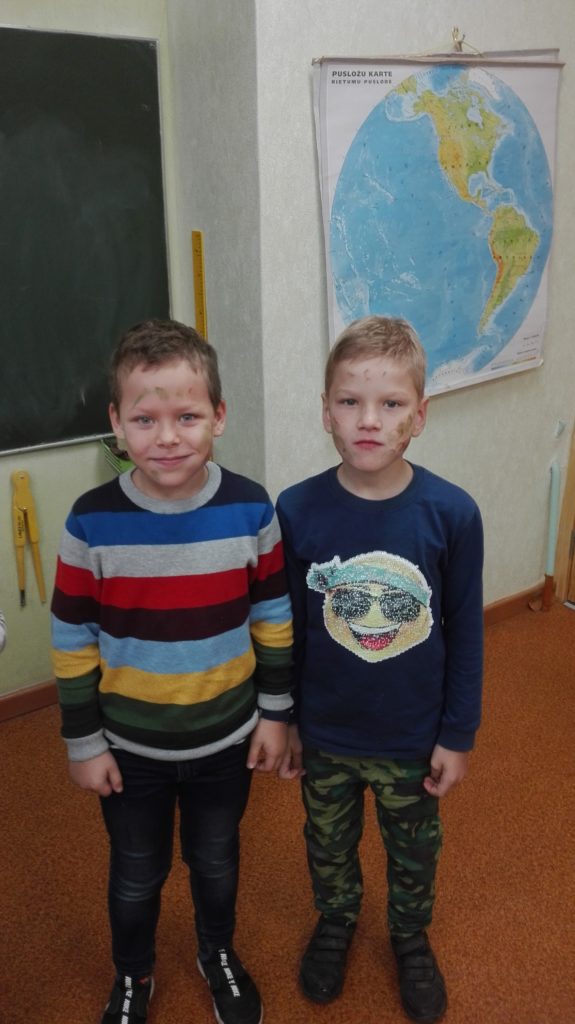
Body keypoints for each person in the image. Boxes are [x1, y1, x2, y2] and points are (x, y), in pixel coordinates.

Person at [51, 319, 293, 1024]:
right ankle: (134, 974)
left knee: (216, 862)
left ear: (219, 415)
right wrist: (83, 743)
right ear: (116, 423)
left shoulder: (251, 508)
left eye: (187, 416)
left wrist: (276, 715)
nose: (167, 437)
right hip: (131, 750)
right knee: (136, 874)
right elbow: (72, 638)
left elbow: (273, 618)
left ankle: (217, 953)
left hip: (226, 739)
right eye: (145, 419)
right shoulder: (90, 521)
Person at [276, 316, 483, 1023]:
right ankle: (336, 919)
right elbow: (289, 630)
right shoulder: (296, 509)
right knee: (327, 843)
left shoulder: (452, 514)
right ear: (326, 411)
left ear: (418, 416)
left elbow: (465, 635)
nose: (368, 420)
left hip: (411, 736)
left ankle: (408, 936)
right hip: (326, 733)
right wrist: (286, 720)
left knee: (413, 850)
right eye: (350, 401)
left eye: (390, 403)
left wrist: (457, 734)